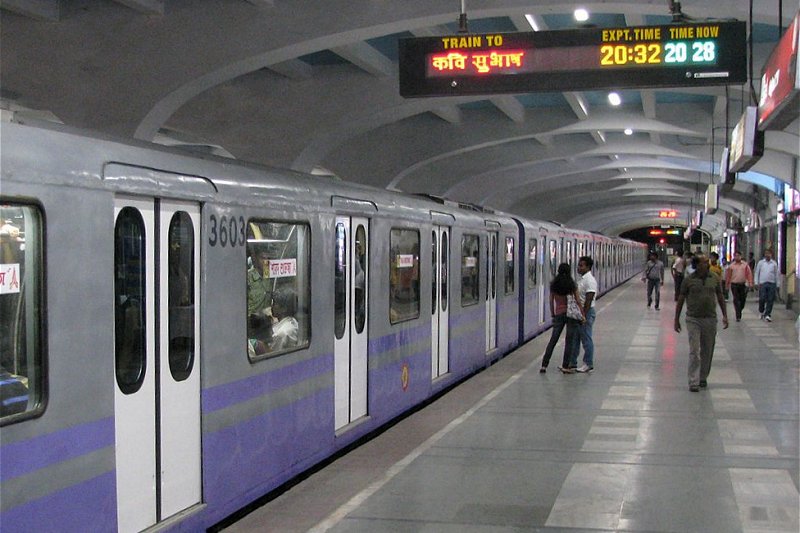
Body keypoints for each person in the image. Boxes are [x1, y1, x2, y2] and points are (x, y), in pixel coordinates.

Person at [674, 254, 728, 392]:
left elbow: (720, 296)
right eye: (704, 262)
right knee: (694, 350)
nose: (707, 264)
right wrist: (676, 319)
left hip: (710, 318)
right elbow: (681, 298)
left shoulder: (714, 278)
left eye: (707, 262)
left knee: (708, 350)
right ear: (696, 264)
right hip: (693, 319)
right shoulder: (688, 280)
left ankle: (703, 376)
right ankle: (693, 380)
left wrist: (725, 315)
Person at [539, 263, 584, 373]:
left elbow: (550, 301)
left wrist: (553, 314)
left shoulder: (554, 285)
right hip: (571, 315)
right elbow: (578, 301)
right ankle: (565, 366)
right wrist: (582, 314)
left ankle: (544, 365)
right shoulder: (572, 285)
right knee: (569, 341)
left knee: (553, 340)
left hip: (559, 314)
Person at [573, 256, 598, 373]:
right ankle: (572, 363)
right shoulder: (583, 279)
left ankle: (588, 363)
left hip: (587, 312)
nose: (579, 267)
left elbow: (589, 299)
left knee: (586, 338)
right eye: (579, 265)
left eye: (581, 265)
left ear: (588, 267)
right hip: (581, 312)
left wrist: (583, 315)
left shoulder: (590, 281)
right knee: (577, 337)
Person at [725, 251, 753, 322]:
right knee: (736, 299)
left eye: (738, 255)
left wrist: (750, 283)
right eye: (736, 256)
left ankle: (740, 309)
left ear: (741, 256)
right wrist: (727, 285)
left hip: (742, 284)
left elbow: (749, 274)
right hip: (734, 284)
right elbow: (728, 276)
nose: (737, 257)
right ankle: (738, 315)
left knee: (742, 299)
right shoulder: (731, 266)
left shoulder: (745, 265)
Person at [270, 286, 299, 351]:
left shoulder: (281, 334)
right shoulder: (293, 322)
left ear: (284, 309)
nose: (272, 306)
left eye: (275, 303)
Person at [754, 248, 779, 321]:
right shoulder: (761, 263)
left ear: (771, 255)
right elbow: (757, 273)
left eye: (769, 253)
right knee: (762, 298)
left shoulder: (774, 263)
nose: (767, 255)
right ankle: (761, 311)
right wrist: (756, 282)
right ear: (764, 254)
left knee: (770, 299)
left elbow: (776, 274)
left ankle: (768, 314)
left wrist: (778, 284)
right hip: (763, 283)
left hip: (772, 283)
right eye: (766, 253)